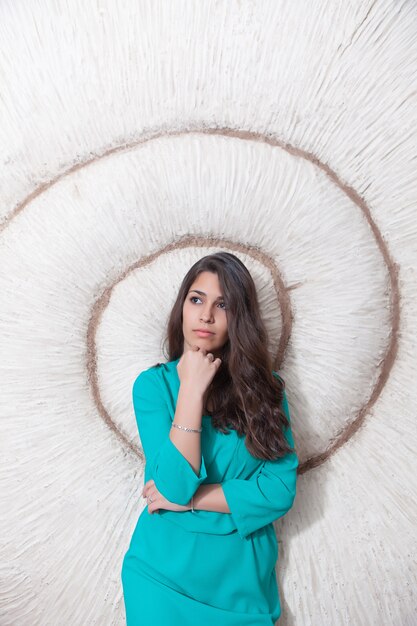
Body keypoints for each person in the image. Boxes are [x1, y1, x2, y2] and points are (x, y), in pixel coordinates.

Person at [121, 251, 299, 625]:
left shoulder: (268, 390)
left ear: (241, 317)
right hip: (161, 578)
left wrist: (190, 502)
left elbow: (279, 490)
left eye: (223, 304)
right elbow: (171, 483)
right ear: (181, 307)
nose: (206, 315)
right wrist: (190, 391)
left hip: (241, 584)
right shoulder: (153, 387)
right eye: (196, 299)